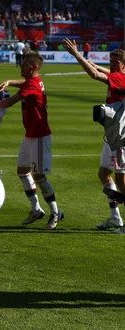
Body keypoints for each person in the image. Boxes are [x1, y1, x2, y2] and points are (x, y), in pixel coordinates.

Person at [63, 39, 125, 231]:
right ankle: (115, 217)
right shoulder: (117, 75)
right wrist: (85, 58)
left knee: (122, 180)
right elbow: (98, 68)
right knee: (103, 174)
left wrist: (76, 54)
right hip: (111, 136)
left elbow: (94, 74)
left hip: (120, 139)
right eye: (111, 62)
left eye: (116, 63)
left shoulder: (120, 78)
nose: (112, 66)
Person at [0, 52, 63, 230]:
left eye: (24, 65)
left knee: (39, 176)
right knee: (22, 171)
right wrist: (10, 82)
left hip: (40, 137)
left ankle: (56, 212)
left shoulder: (31, 86)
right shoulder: (34, 81)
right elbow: (24, 84)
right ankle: (36, 209)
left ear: (32, 68)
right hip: (30, 135)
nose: (21, 66)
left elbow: (9, 102)